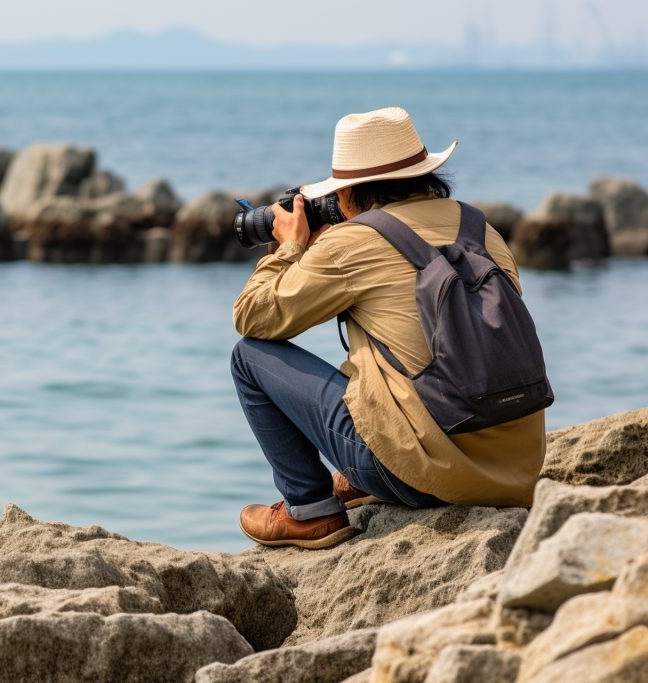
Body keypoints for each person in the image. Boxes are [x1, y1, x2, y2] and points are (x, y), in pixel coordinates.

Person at [231, 106, 547, 549]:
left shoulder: (353, 242)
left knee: (249, 355)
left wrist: (292, 247)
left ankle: (309, 510)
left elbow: (252, 316)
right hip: (518, 471)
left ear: (350, 193)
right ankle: (369, 474)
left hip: (424, 479)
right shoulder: (480, 228)